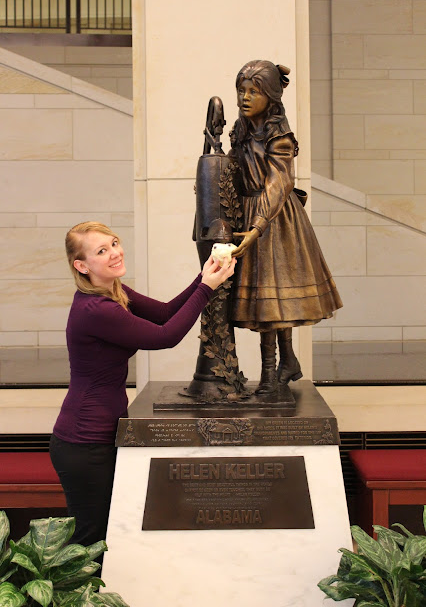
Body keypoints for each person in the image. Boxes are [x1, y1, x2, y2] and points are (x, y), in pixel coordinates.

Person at [50, 221, 235, 554]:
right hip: (83, 441)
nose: (115, 253)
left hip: (99, 436)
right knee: (90, 542)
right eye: (101, 251)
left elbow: (164, 314)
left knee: (105, 536)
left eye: (114, 243)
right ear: (82, 266)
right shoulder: (96, 309)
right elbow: (165, 337)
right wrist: (207, 288)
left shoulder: (114, 292)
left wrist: (203, 276)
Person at [230, 60, 342, 398]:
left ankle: (269, 377)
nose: (245, 97)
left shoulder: (279, 134)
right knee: (272, 299)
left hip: (275, 219)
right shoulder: (242, 127)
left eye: (253, 92)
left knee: (270, 300)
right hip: (251, 213)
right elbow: (236, 169)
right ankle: (288, 362)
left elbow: (280, 182)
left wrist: (257, 225)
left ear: (271, 96)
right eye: (242, 90)